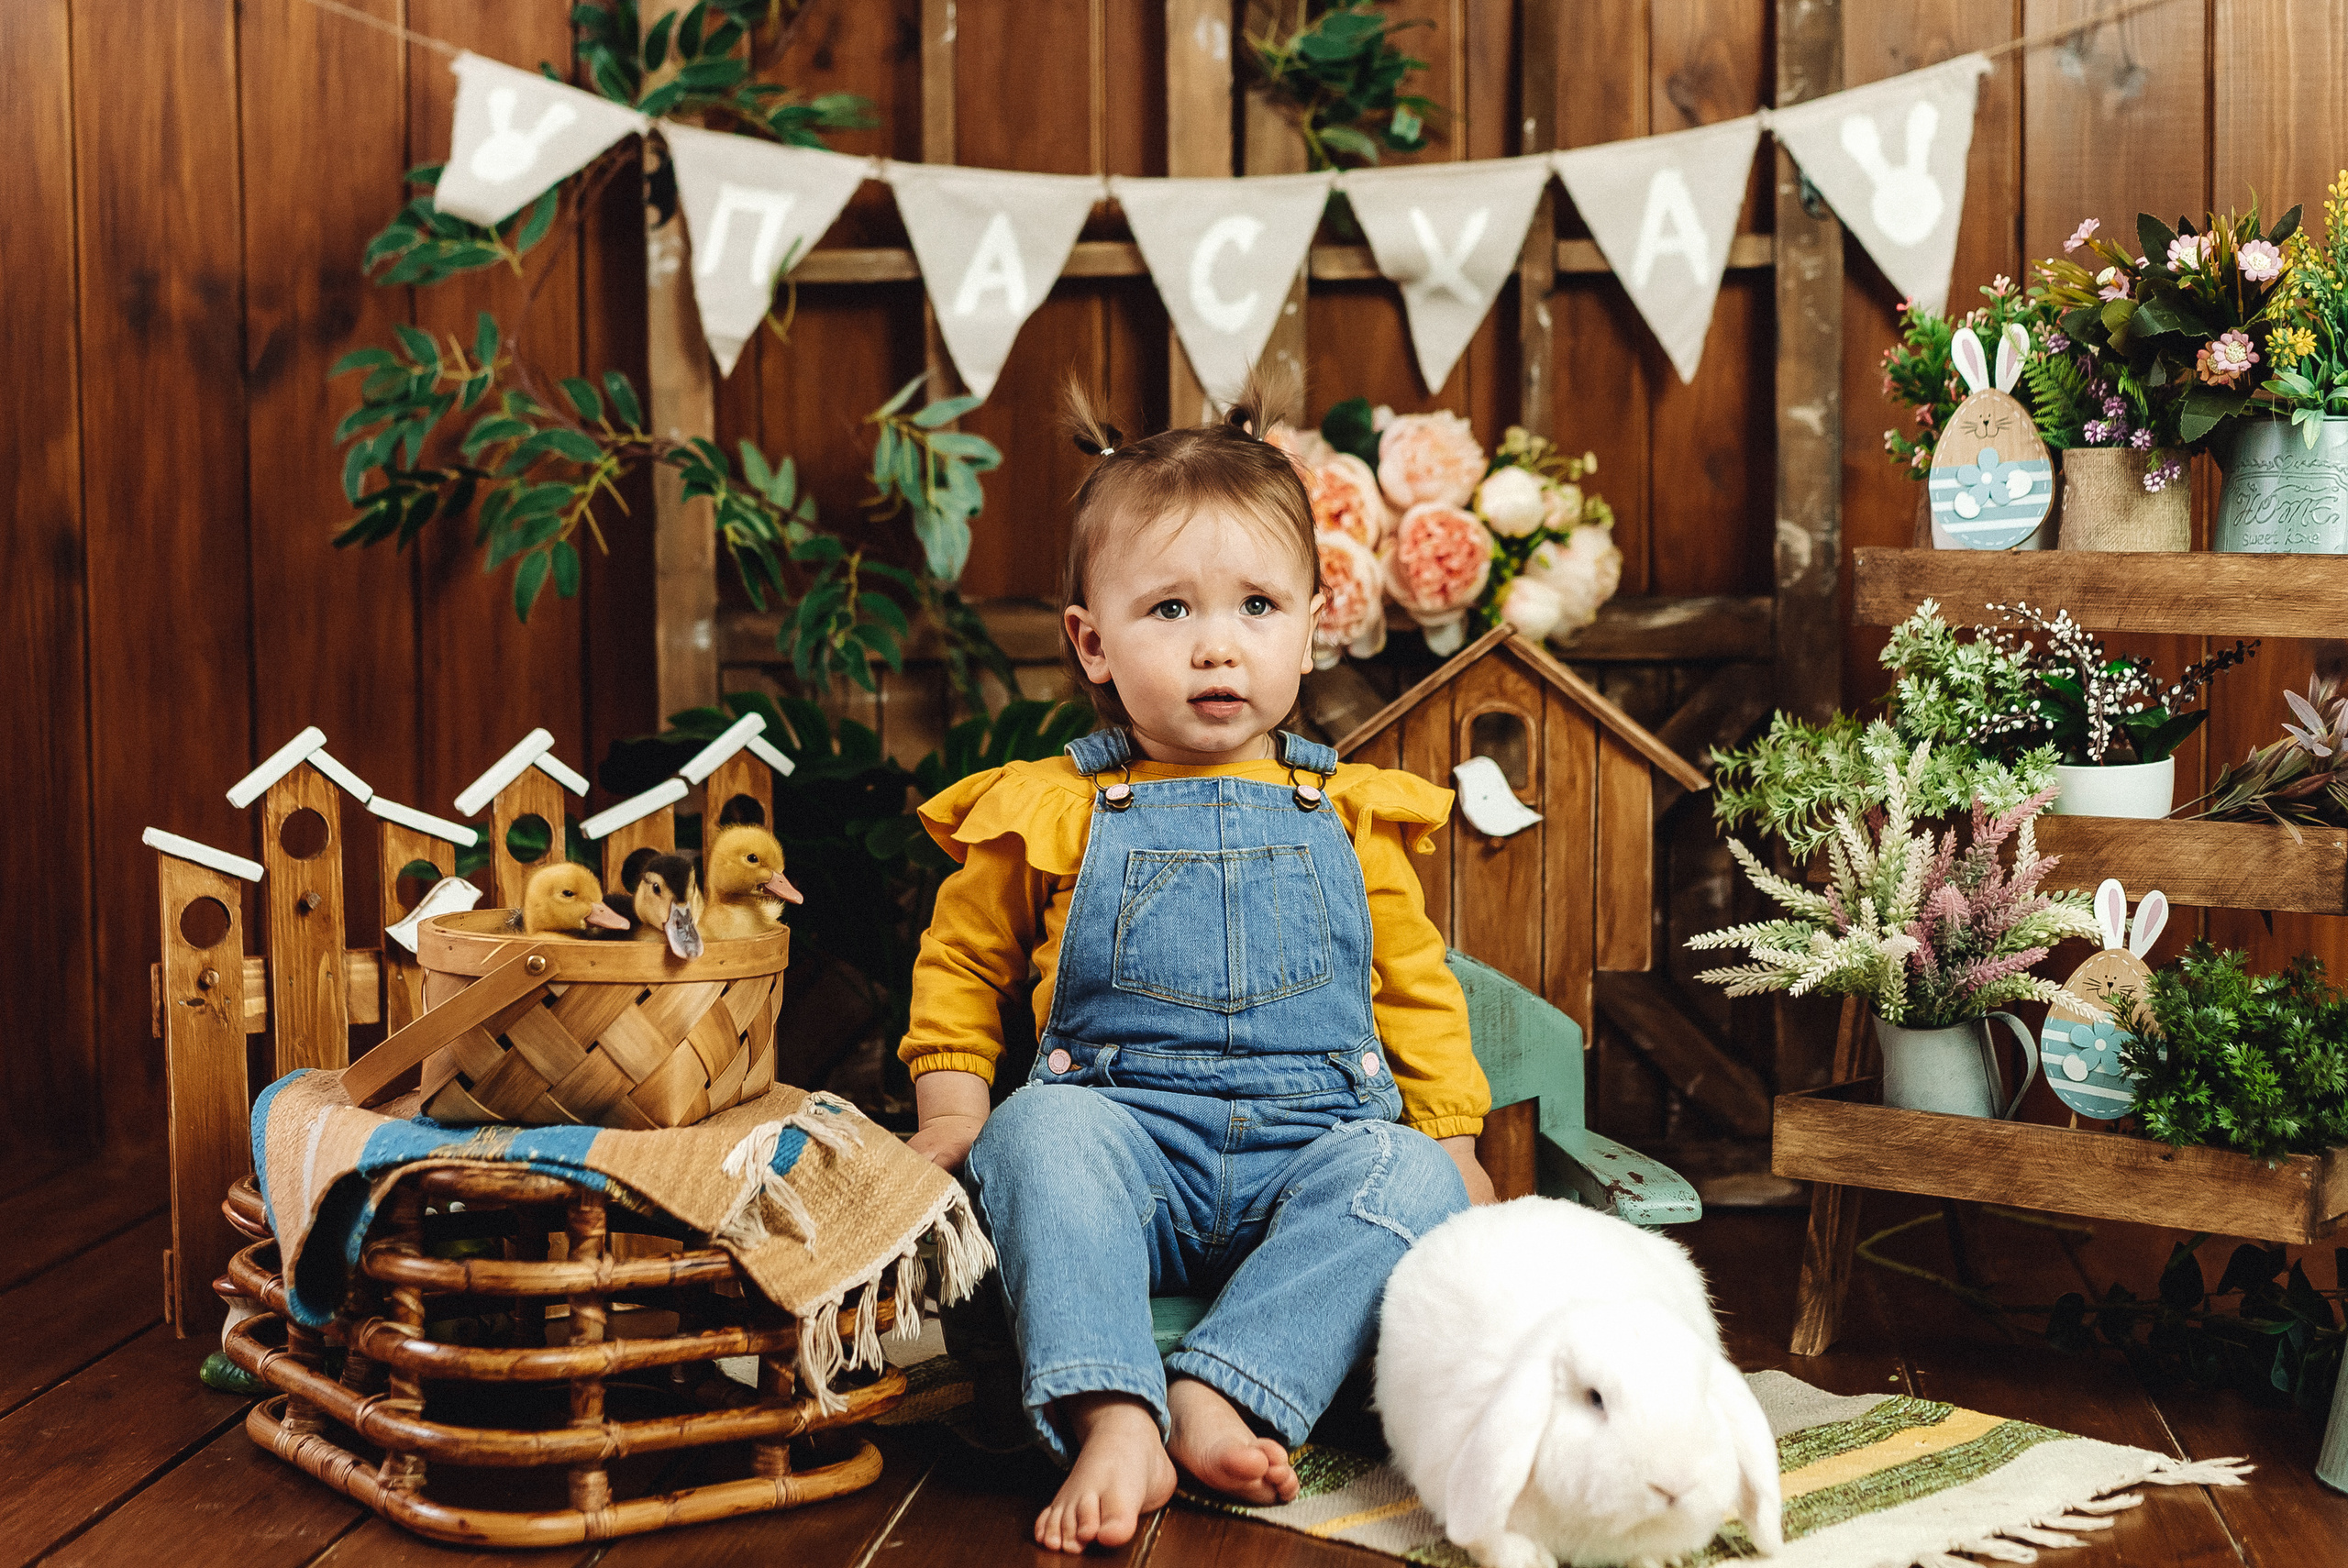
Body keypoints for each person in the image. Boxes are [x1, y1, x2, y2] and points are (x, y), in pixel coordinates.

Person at [902, 379, 1494, 1553]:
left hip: (1309, 1148)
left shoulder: (1349, 814)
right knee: (1036, 1137)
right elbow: (962, 966)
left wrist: (1456, 1144)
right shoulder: (1050, 807)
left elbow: (1415, 991)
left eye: (1257, 606)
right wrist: (955, 1107)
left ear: (1312, 625)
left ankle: (1222, 1385)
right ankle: (1113, 1408)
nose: (1217, 644)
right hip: (1128, 1142)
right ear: (1092, 643)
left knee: (1408, 1183)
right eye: (1168, 610)